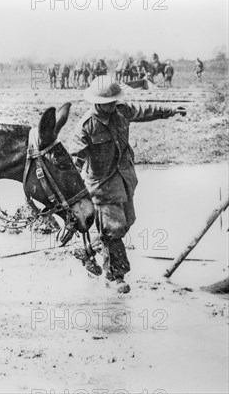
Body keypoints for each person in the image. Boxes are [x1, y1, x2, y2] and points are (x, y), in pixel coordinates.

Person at [70, 76, 186, 293]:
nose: (113, 105)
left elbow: (145, 110)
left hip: (125, 180)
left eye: (115, 101)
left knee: (127, 221)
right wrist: (74, 193)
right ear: (97, 102)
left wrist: (170, 110)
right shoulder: (86, 126)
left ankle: (88, 251)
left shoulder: (122, 111)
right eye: (109, 102)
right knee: (115, 229)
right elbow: (73, 160)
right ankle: (115, 276)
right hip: (102, 186)